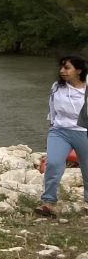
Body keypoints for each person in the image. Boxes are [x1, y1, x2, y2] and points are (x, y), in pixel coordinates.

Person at [37, 56, 88, 217]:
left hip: (83, 132)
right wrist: (51, 124)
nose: (62, 71)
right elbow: (52, 106)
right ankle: (48, 202)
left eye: (67, 68)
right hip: (59, 131)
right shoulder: (57, 87)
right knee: (53, 163)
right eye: (61, 67)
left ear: (78, 71)